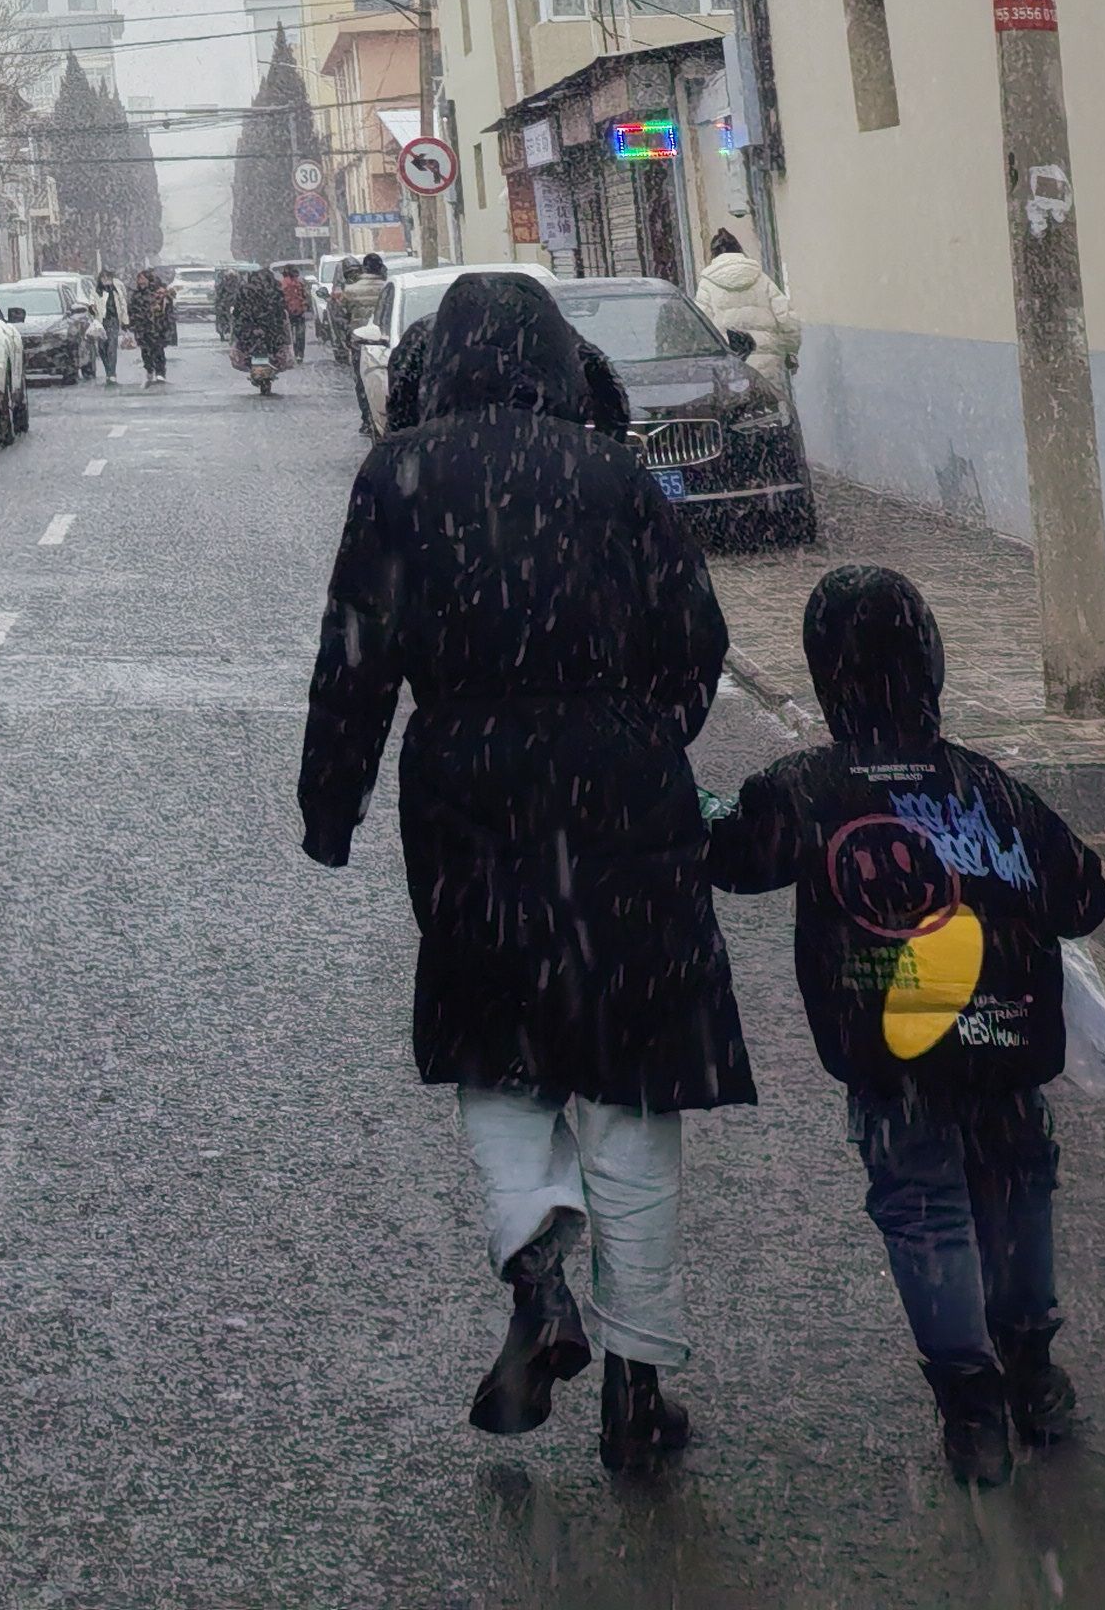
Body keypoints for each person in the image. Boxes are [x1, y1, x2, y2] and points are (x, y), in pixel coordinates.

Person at [299, 270, 751, 1475]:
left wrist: (331, 801)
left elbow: (355, 656)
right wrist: (642, 733)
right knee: (632, 1078)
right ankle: (637, 1385)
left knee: (498, 1050)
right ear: (557, 358)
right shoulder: (614, 473)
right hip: (622, 793)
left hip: (469, 795)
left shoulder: (398, 473)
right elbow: (696, 639)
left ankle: (538, 1273)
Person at [706, 566, 1105, 1487]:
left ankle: (970, 1405)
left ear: (825, 676)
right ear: (932, 663)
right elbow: (1084, 897)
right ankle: (1032, 1368)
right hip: (1006, 1042)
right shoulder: (989, 786)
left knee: (924, 1211)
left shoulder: (805, 787)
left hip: (890, 1054)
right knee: (1017, 1192)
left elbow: (732, 858)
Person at [694, 227, 801, 406]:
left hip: (732, 363)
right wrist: (790, 351)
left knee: (740, 411)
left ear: (713, 254)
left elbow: (701, 328)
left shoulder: (707, 285)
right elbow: (787, 319)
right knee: (772, 406)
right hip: (768, 360)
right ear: (739, 249)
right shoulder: (761, 278)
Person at [228, 261, 288, 384]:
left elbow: (237, 309)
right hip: (270, 328)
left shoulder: (245, 290)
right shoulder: (274, 289)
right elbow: (281, 307)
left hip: (250, 328)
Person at [126, 266, 172, 384]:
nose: (140, 281)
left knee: (158, 349)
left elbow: (166, 309)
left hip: (156, 327)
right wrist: (131, 323)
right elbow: (131, 310)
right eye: (139, 279)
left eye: (143, 279)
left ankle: (160, 372)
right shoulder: (136, 295)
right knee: (145, 351)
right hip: (142, 328)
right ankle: (149, 369)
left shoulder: (157, 293)